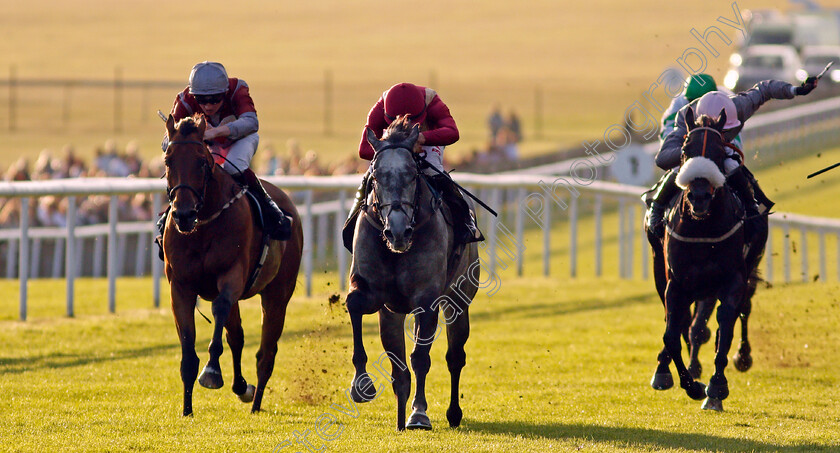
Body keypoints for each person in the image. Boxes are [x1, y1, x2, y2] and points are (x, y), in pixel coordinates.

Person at [645, 76, 820, 239]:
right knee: (679, 169)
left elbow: (765, 89)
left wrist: (795, 90)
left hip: (722, 150)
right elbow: (662, 159)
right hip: (693, 151)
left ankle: (753, 210)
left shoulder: (738, 105)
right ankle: (656, 208)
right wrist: (689, 150)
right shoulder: (684, 117)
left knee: (732, 165)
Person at [155, 62, 291, 258]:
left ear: (225, 93)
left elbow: (252, 122)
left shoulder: (238, 89)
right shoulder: (184, 100)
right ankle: (169, 215)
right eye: (202, 100)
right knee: (191, 171)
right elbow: (166, 143)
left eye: (215, 100)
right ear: (194, 95)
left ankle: (270, 209)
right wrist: (179, 139)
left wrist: (214, 132)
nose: (208, 106)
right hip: (205, 146)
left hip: (241, 140)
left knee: (233, 168)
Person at [343, 82, 482, 250]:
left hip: (426, 142)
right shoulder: (381, 105)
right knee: (371, 176)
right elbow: (364, 150)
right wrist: (394, 149)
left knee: (434, 172)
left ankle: (465, 224)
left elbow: (453, 132)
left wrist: (423, 138)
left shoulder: (431, 100)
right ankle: (351, 226)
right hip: (392, 148)